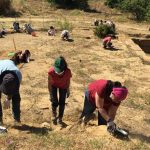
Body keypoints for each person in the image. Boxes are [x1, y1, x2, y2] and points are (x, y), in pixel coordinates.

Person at [48, 56, 72, 127]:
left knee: (62, 102)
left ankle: (60, 118)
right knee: (54, 100)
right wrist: (50, 94)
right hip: (54, 86)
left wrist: (68, 90)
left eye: (60, 71)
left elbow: (68, 81)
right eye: (57, 71)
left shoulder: (68, 72)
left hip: (63, 86)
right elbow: (49, 83)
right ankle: (54, 113)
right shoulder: (51, 71)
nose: (59, 73)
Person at [0, 59, 22, 125]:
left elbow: (15, 89)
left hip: (10, 65)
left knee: (16, 97)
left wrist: (8, 98)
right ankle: (0, 121)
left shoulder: (18, 75)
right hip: (2, 70)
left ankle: (17, 119)